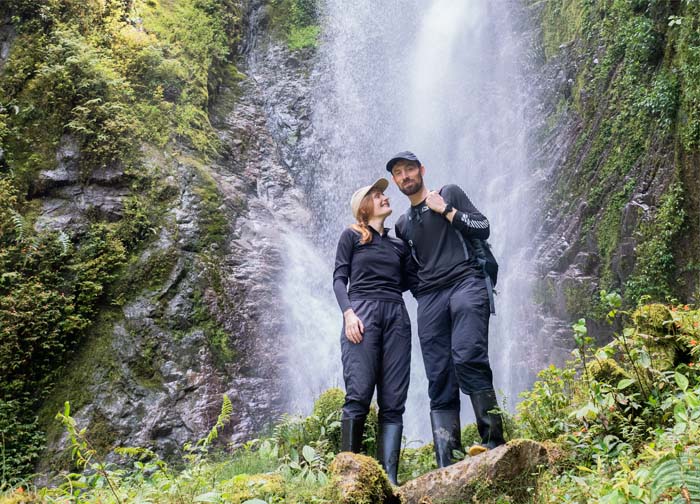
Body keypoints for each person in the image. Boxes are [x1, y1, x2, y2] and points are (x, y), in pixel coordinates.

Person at [387, 151, 505, 467]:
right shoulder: (402, 224)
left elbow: (483, 226)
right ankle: (447, 459)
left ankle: (493, 441)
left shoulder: (448, 193)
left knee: (468, 356)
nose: (405, 176)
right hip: (430, 299)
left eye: (409, 169)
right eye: (398, 173)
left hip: (466, 282)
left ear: (421, 170)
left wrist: (448, 211)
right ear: (395, 181)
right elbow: (410, 270)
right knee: (438, 376)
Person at [332, 178, 414, 485]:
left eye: (383, 194)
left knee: (394, 401)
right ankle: (347, 480)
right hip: (362, 314)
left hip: (396, 315)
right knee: (359, 394)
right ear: (364, 208)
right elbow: (340, 279)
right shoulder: (351, 236)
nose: (384, 198)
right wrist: (348, 314)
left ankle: (389, 480)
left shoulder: (398, 244)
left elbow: (411, 282)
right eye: (377, 196)